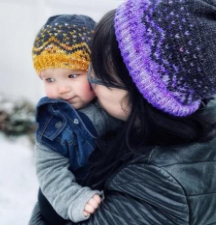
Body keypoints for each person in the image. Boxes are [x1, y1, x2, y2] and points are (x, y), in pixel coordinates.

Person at [29, 0, 216, 224]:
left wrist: (48, 206)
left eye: (99, 77)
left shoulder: (152, 187)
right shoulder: (205, 117)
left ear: (144, 98)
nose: (90, 84)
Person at [32, 14, 120, 224]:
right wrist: (73, 199)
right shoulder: (55, 124)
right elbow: (50, 171)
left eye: (73, 75)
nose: (62, 89)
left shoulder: (115, 101)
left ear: (96, 71)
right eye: (50, 79)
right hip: (69, 209)